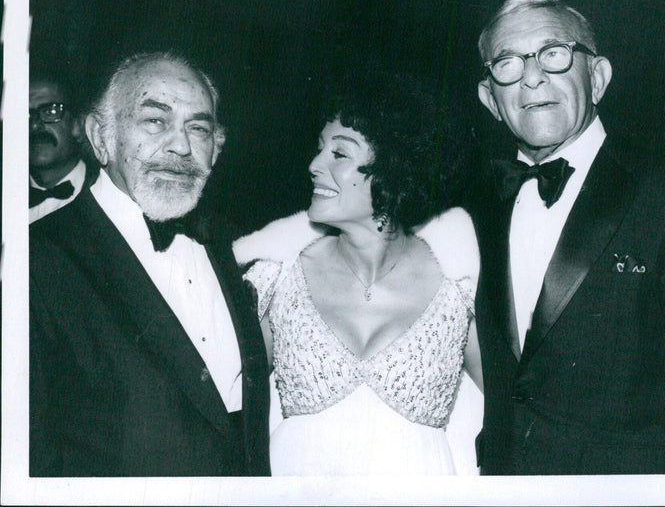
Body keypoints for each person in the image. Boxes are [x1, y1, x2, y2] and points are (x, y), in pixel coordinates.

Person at [470, 0, 665, 475]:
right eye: (508, 63)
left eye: (553, 55)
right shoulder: (467, 211)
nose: (532, 76)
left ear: (597, 77)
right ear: (490, 98)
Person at [29, 52, 270, 476]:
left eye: (198, 127)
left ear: (217, 147)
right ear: (100, 136)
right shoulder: (37, 261)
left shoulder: (230, 242)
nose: (181, 145)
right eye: (155, 121)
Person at [234, 71, 483, 475]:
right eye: (319, 149)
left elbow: (521, 414)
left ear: (396, 167)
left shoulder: (460, 286)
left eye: (339, 153)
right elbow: (224, 411)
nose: (314, 165)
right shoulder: (276, 277)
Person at [29, 72, 98, 222]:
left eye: (50, 111)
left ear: (79, 125)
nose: (34, 125)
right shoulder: (7, 195)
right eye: (25, 114)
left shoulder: (110, 194)